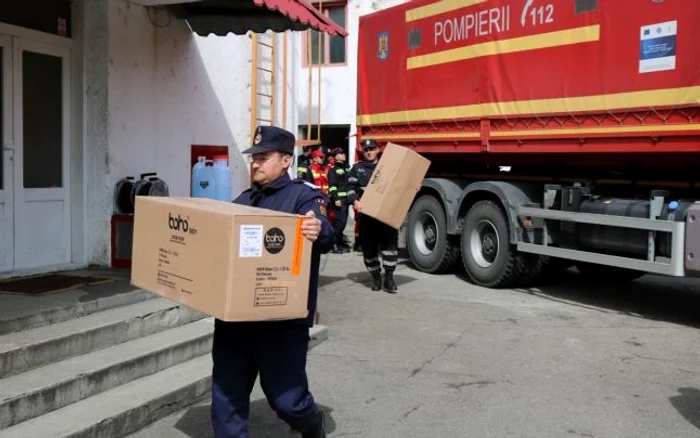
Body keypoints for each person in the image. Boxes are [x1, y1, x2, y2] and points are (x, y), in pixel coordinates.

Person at [211, 125, 333, 438]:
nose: (255, 163)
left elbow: (321, 225)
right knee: (226, 398)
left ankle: (311, 423)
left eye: (263, 157)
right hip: (235, 322)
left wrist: (316, 228)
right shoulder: (243, 200)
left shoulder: (303, 196)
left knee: (287, 401)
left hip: (280, 322)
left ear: (285, 161)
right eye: (254, 157)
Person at [347, 139, 399, 293]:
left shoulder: (387, 167)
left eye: (372, 148)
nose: (369, 152)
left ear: (378, 150)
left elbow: (400, 185)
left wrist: (412, 188)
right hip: (367, 216)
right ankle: (376, 277)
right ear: (363, 151)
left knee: (390, 246)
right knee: (369, 248)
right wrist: (354, 201)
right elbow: (350, 188)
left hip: (385, 215)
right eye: (366, 149)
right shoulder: (357, 169)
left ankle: (389, 278)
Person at [327, 147, 351, 253]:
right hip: (339, 201)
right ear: (336, 157)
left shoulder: (345, 169)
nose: (344, 155)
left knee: (343, 223)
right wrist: (336, 198)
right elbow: (332, 186)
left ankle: (339, 243)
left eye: (343, 153)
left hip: (345, 201)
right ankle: (334, 245)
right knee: (339, 223)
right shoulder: (333, 170)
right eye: (341, 153)